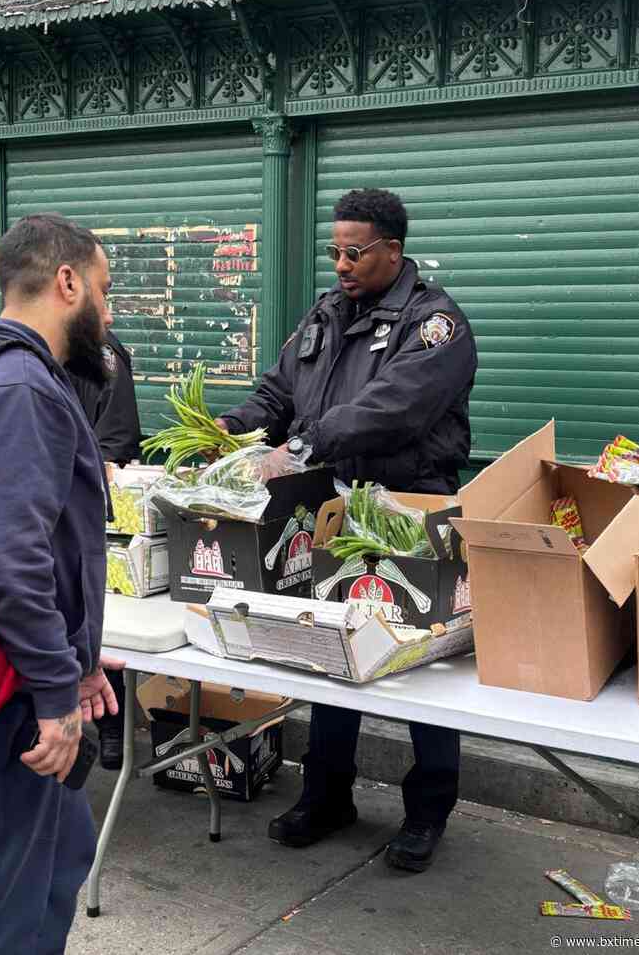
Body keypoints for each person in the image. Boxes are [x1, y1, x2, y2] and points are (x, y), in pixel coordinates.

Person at [218, 188, 478, 872]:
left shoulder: (436, 325)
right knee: (329, 651)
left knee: (423, 663)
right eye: (335, 251)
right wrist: (231, 427)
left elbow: (391, 408)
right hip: (333, 509)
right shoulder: (326, 314)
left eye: (354, 252)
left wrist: (302, 447)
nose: (340, 264)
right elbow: (279, 392)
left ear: (392, 249)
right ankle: (327, 794)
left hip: (408, 509)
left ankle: (427, 811)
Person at [0, 213, 123, 954]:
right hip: (6, 695)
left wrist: (80, 660)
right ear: (67, 282)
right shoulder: (17, 387)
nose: (108, 313)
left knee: (59, 860)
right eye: (104, 290)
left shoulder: (6, 372)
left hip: (26, 674)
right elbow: (12, 562)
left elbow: (44, 547)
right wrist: (56, 693)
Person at [69, 329, 141, 770]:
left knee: (99, 613)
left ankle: (111, 724)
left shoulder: (101, 353)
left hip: (89, 505)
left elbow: (117, 437)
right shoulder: (25, 355)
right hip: (43, 510)